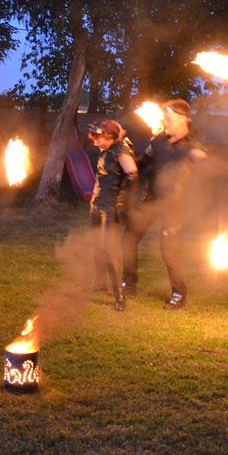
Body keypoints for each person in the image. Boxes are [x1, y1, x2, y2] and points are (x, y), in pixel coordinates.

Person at [121, 99, 207, 311]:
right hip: (151, 200)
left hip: (174, 205)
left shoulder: (192, 148)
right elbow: (142, 163)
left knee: (168, 249)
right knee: (129, 238)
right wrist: (124, 159)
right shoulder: (158, 141)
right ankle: (129, 284)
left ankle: (179, 293)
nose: (164, 121)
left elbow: (207, 168)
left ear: (182, 118)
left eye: (168, 117)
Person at [88, 120, 138, 312]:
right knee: (97, 246)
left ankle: (119, 296)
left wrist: (124, 203)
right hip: (97, 204)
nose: (95, 143)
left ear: (109, 137)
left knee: (109, 250)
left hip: (111, 208)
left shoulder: (121, 151)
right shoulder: (110, 146)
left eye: (98, 139)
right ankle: (99, 284)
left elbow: (132, 173)